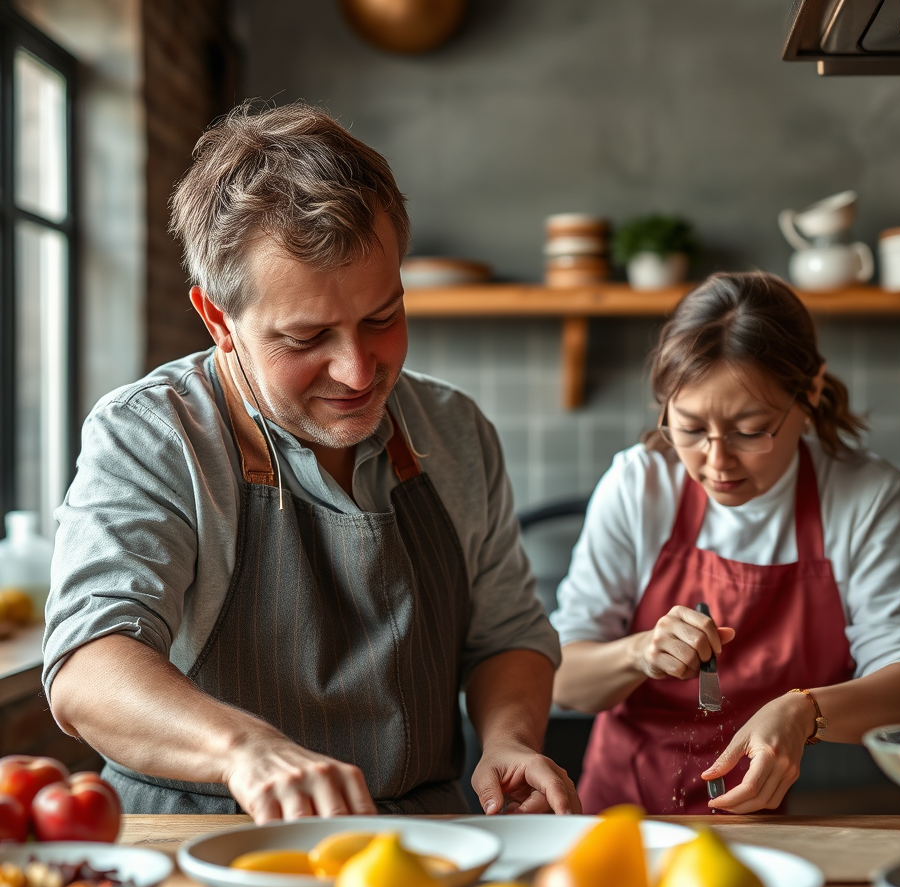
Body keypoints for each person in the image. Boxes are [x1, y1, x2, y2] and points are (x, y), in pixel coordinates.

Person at [43, 102, 579, 821]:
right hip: (197, 844)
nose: (359, 371)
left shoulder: (453, 430)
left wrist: (508, 740)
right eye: (306, 338)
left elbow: (506, 635)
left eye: (383, 318)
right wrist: (242, 750)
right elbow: (88, 664)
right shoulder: (152, 436)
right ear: (218, 321)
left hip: (419, 844)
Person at [551, 272, 900, 815]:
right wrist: (638, 652)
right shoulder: (639, 485)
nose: (716, 462)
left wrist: (806, 710)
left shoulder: (862, 497)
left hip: (783, 818)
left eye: (748, 430)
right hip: (629, 811)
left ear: (808, 393)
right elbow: (564, 680)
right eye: (689, 429)